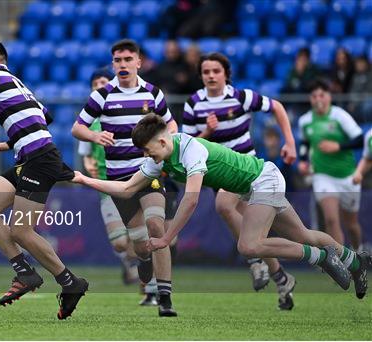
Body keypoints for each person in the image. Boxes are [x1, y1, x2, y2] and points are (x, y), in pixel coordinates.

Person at [73, 113, 370, 300]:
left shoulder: (191, 150)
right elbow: (126, 187)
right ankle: (356, 262)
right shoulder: (158, 157)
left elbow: (191, 200)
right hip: (252, 184)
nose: (150, 157)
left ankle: (319, 257)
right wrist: (85, 180)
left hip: (262, 180)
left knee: (250, 245)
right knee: (303, 234)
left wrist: (165, 237)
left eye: (150, 150)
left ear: (163, 140)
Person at [0, 40, 88, 320]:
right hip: (31, 156)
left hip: (40, 159)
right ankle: (25, 273)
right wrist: (10, 143)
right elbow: (45, 116)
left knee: (21, 231)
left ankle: (71, 283)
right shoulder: (17, 81)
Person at [71, 39, 179, 316]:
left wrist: (166, 143)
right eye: (117, 60)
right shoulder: (102, 96)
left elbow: (171, 124)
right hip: (119, 182)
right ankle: (144, 262)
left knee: (158, 228)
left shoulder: (153, 93)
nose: (122, 65)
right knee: (140, 245)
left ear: (138, 63)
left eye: (128, 59)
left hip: (149, 174)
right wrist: (95, 135)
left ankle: (164, 297)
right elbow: (77, 128)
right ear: (113, 64)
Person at [182, 52, 297, 309]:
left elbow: (276, 106)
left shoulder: (240, 96)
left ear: (226, 74)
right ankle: (281, 278)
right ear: (201, 75)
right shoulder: (194, 104)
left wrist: (289, 142)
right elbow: (187, 144)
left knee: (224, 206)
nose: (211, 76)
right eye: (206, 72)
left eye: (216, 71)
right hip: (216, 171)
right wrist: (207, 132)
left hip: (247, 168)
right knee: (253, 236)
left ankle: (255, 263)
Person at [77, 68, 141, 287]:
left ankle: (139, 270)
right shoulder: (90, 121)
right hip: (107, 186)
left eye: (102, 82)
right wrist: (89, 165)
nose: (98, 87)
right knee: (120, 242)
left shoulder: (124, 113)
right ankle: (127, 260)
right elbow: (85, 155)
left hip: (133, 181)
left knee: (136, 236)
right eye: (94, 84)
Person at [298, 79, 364, 252]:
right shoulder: (305, 120)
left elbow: (359, 139)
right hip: (322, 175)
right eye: (314, 96)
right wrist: (303, 161)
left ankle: (358, 251)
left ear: (329, 97)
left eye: (322, 95)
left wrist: (338, 146)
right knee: (331, 220)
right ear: (310, 99)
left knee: (351, 225)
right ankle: (342, 263)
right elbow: (305, 143)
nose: (318, 99)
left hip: (347, 175)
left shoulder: (339, 115)